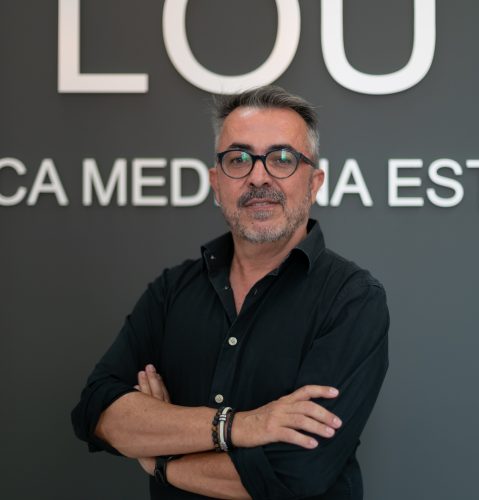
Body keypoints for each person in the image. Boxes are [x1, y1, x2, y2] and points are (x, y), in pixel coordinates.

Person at [71, 85, 389, 500]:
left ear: (314, 183)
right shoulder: (172, 291)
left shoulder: (352, 300)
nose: (258, 177)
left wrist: (162, 461)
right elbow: (96, 412)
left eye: (282, 159)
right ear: (216, 184)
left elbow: (295, 472)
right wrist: (241, 425)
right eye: (238, 159)